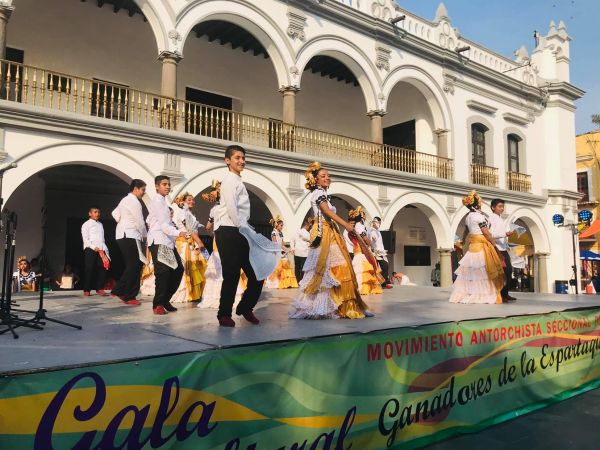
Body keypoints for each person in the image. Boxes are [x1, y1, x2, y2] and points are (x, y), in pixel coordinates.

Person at [289, 162, 373, 319]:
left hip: (329, 231)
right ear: (316, 180)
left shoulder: (322, 193)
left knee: (336, 269)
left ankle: (346, 305)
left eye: (328, 175)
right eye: (323, 176)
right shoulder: (318, 194)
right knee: (338, 268)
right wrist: (346, 224)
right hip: (324, 233)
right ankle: (342, 306)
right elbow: (326, 211)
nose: (327, 178)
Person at [212, 145, 264, 327]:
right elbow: (233, 209)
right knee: (232, 274)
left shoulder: (238, 181)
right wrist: (245, 229)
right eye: (237, 158)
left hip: (240, 229)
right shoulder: (229, 181)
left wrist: (246, 229)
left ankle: (245, 306)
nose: (241, 161)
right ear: (228, 161)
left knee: (257, 273)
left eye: (243, 158)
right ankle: (224, 314)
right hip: (229, 230)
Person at [197, 181, 247, 309]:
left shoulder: (213, 209)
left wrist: (214, 235)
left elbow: (208, 227)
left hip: (218, 240)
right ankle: (230, 299)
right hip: (230, 238)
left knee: (219, 267)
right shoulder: (229, 207)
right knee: (230, 268)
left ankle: (216, 297)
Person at [449, 191, 504, 304]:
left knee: (471, 272)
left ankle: (470, 292)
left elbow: (466, 231)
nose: (481, 204)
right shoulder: (479, 216)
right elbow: (486, 232)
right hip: (481, 245)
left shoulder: (468, 216)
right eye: (480, 202)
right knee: (483, 271)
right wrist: (493, 243)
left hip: (473, 246)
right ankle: (482, 295)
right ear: (477, 204)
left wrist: (463, 241)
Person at [147, 175, 187, 315]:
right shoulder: (157, 201)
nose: (168, 187)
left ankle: (164, 300)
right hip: (159, 240)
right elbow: (164, 225)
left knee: (178, 270)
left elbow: (159, 221)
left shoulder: (164, 201)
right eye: (164, 184)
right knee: (162, 272)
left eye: (169, 184)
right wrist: (179, 232)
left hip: (168, 241)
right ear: (157, 186)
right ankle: (157, 304)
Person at [111, 179, 147, 306]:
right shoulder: (134, 201)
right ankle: (129, 295)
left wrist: (122, 222)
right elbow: (140, 221)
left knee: (132, 264)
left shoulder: (124, 200)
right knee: (135, 265)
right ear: (136, 188)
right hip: (130, 234)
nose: (144, 193)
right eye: (143, 190)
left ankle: (118, 290)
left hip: (122, 234)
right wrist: (144, 235)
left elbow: (114, 213)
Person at [171, 192, 208, 303]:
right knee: (188, 267)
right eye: (189, 200)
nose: (192, 201)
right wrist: (200, 242)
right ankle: (187, 293)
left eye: (193, 200)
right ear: (183, 202)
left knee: (196, 267)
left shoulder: (188, 213)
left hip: (191, 242)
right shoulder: (183, 213)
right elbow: (190, 229)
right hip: (186, 243)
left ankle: (194, 293)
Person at [348, 206, 383, 295]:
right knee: (362, 268)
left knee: (364, 268)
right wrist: (371, 245)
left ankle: (366, 287)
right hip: (361, 249)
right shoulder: (359, 225)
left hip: (360, 249)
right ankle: (362, 288)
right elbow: (364, 237)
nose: (365, 217)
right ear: (361, 217)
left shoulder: (358, 225)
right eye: (364, 215)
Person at [489, 198, 517, 302]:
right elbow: (491, 235)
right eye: (499, 206)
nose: (502, 209)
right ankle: (501, 294)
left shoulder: (500, 219)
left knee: (508, 271)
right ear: (493, 207)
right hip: (497, 249)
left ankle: (505, 293)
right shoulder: (491, 219)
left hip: (503, 248)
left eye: (502, 207)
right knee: (504, 272)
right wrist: (505, 234)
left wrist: (506, 241)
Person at [81, 207, 110, 297]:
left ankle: (99, 288)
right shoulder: (86, 224)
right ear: (90, 213)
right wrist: (94, 247)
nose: (97, 214)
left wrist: (104, 249)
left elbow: (102, 239)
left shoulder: (101, 224)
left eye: (98, 212)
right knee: (89, 269)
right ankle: (87, 289)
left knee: (104, 267)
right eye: (95, 212)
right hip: (90, 248)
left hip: (101, 248)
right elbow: (85, 239)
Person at [265, 215, 298, 289]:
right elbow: (275, 243)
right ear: (277, 225)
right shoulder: (274, 232)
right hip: (276, 252)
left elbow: (282, 244)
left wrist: (288, 250)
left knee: (285, 265)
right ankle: (275, 283)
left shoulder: (281, 233)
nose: (282, 227)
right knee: (277, 267)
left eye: (282, 226)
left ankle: (285, 283)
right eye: (281, 225)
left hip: (281, 252)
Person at [369, 216, 392, 288]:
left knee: (385, 266)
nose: (379, 224)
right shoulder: (372, 231)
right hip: (376, 252)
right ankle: (382, 283)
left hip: (380, 252)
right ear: (374, 223)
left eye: (380, 223)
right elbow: (372, 239)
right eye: (378, 222)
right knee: (382, 266)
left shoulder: (377, 231)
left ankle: (383, 282)